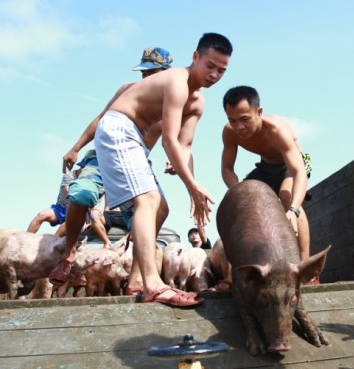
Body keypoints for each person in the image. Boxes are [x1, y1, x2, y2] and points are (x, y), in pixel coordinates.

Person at [58, 33, 232, 308]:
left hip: (136, 146)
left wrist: (193, 188)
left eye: (221, 70)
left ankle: (138, 279)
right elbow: (169, 141)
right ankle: (152, 283)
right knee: (145, 200)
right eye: (210, 66)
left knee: (160, 207)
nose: (214, 74)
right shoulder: (176, 82)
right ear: (195, 57)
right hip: (119, 130)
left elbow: (183, 147)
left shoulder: (197, 103)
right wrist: (76, 147)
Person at [221, 85, 312, 260]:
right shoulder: (230, 133)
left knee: (286, 195)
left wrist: (293, 210)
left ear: (259, 112)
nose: (239, 127)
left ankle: (306, 268)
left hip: (293, 165)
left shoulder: (277, 130)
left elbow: (298, 170)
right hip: (266, 166)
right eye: (232, 120)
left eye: (245, 119)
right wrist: (241, 194)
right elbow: (227, 168)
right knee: (240, 197)